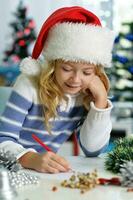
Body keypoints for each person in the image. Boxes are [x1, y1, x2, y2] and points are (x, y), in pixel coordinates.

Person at [0, 6, 115, 173]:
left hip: (43, 176)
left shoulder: (83, 94)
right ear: (53, 65)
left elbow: (92, 150)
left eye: (87, 72)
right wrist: (29, 158)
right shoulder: (29, 85)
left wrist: (101, 102)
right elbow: (3, 139)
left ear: (96, 73)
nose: (76, 80)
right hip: (10, 170)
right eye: (67, 69)